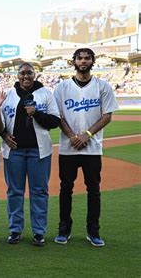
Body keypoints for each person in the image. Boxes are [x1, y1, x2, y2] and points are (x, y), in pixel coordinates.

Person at [53, 48, 119, 247]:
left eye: (87, 58)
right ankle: (64, 229)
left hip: (92, 149)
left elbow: (107, 115)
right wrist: (73, 136)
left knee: (94, 190)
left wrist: (86, 135)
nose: (83, 61)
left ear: (93, 61)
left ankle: (93, 230)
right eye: (79, 58)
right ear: (74, 61)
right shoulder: (62, 87)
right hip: (68, 148)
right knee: (66, 189)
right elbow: (57, 116)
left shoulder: (102, 86)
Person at [0, 63, 60, 247]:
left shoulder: (46, 93)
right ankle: (15, 230)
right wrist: (4, 133)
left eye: (29, 73)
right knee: (14, 191)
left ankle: (39, 232)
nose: (26, 76)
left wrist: (36, 113)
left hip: (39, 151)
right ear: (17, 75)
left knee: (39, 191)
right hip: (14, 151)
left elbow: (55, 121)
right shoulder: (7, 94)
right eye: (22, 73)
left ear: (34, 74)